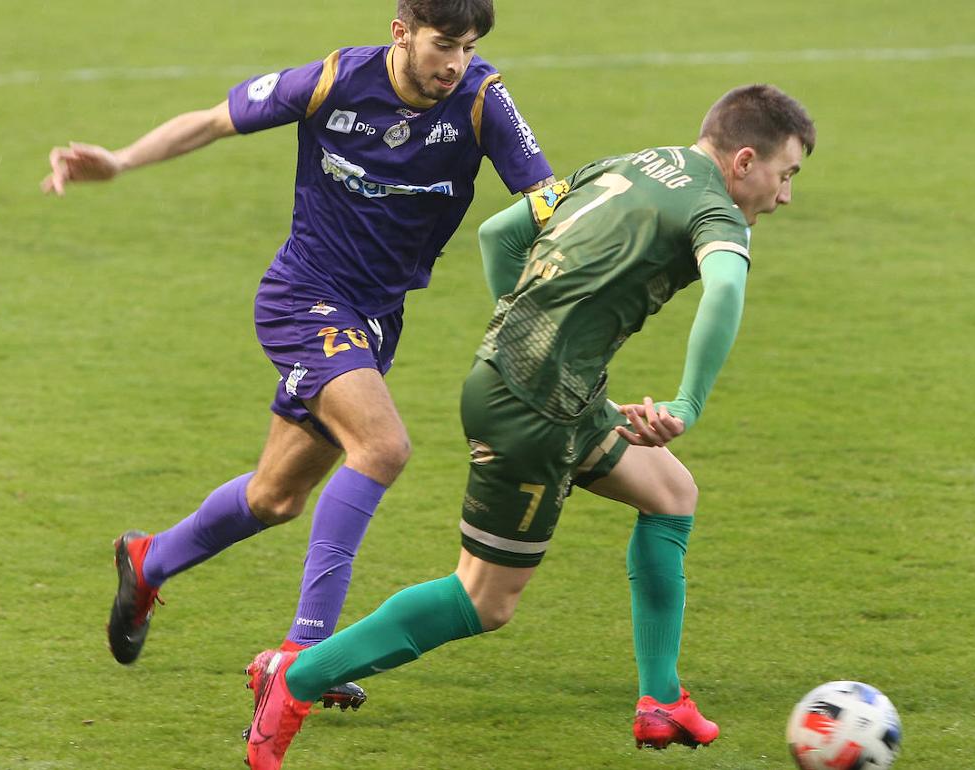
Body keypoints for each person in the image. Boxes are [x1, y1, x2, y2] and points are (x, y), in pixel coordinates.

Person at [239, 83, 816, 769]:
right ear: (745, 160)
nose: (783, 196)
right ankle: (294, 678)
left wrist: (529, 329)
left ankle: (661, 700)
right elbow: (724, 288)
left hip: (550, 390)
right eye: (786, 175)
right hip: (531, 409)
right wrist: (687, 404)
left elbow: (501, 231)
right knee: (482, 601)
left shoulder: (622, 164)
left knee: (670, 496)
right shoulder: (717, 211)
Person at [40, 0, 554, 710]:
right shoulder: (333, 81)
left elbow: (548, 198)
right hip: (303, 298)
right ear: (400, 32)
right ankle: (303, 656)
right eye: (443, 44)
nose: (454, 63)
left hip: (375, 319)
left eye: (467, 48)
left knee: (274, 497)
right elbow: (216, 120)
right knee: (382, 447)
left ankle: (147, 560)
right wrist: (120, 160)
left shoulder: (480, 101)